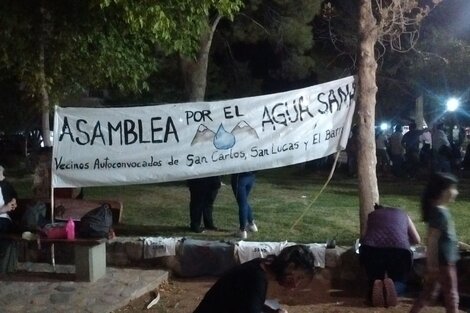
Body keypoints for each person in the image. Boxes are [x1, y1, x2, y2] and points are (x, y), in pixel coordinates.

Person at [193, 244, 316, 313]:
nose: (295, 284)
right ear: (290, 266)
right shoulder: (256, 277)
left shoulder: (258, 267)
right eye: (298, 277)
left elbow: (249, 302)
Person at [409, 172, 460, 313]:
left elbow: (443, 236)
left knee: (429, 293)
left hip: (443, 261)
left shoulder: (442, 211)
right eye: (453, 188)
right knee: (451, 295)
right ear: (443, 191)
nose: (456, 192)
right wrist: (432, 264)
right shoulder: (439, 213)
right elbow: (432, 239)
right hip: (444, 262)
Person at [359, 203, 421, 307]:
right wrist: (404, 241)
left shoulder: (372, 215)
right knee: (400, 280)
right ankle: (394, 290)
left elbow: (363, 238)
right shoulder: (404, 215)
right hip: (399, 251)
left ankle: (374, 291)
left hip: (372, 249)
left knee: (374, 279)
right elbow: (417, 240)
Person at [0, 165, 18, 273]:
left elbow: (13, 198)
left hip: (4, 220)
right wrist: (3, 209)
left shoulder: (6, 186)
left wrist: (13, 203)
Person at [231, 172, 257, 239]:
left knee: (242, 203)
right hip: (251, 175)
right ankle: (251, 224)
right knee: (244, 201)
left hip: (239, 176)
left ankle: (242, 230)